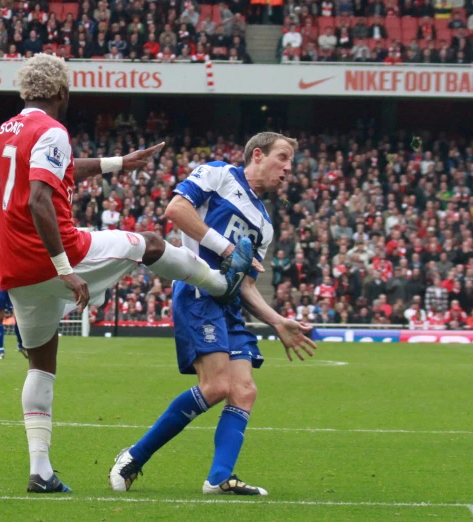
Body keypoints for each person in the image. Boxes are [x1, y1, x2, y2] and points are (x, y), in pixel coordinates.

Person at [0, 53, 253, 494]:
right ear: (62, 92)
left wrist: (117, 163)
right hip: (58, 255)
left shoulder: (8, 130)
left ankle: (40, 472)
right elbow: (41, 197)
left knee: (41, 364)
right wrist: (64, 270)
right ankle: (219, 279)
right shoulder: (52, 130)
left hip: (14, 267)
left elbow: (60, 170)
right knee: (151, 243)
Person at [109, 132, 317, 496]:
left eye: (291, 163)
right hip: (198, 290)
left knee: (244, 391)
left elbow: (248, 284)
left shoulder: (265, 225)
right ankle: (133, 458)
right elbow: (176, 210)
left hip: (231, 304)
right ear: (257, 154)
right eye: (283, 158)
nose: (288, 169)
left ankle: (219, 477)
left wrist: (277, 320)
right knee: (217, 386)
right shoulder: (219, 174)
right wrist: (226, 249)